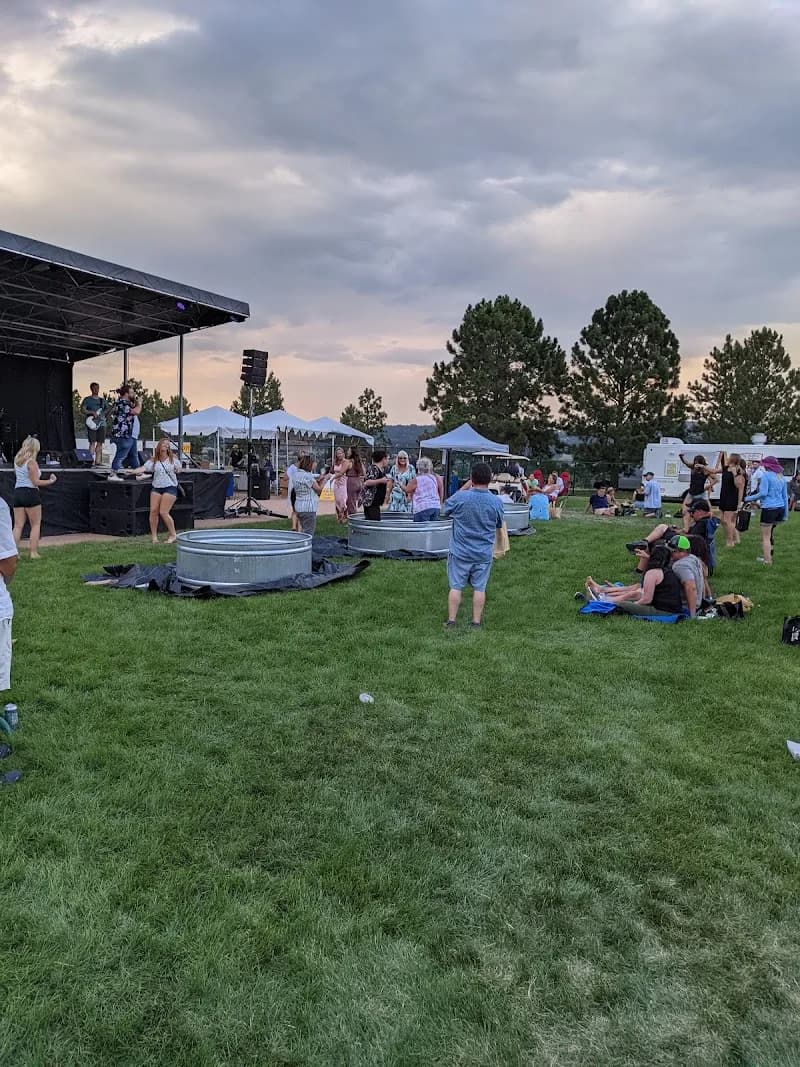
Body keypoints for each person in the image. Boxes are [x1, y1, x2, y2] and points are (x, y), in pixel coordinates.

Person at [443, 462, 505, 629]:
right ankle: (476, 622)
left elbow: (445, 509)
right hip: (483, 554)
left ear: (471, 478)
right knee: (480, 587)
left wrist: (464, 488)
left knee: (455, 586)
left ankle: (451, 621)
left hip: (460, 552)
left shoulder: (461, 497)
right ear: (490, 479)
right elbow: (499, 524)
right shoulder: (496, 502)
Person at [587, 544, 683, 618]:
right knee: (636, 594)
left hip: (664, 612)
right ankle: (604, 598)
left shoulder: (653, 573)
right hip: (672, 609)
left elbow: (647, 599)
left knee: (622, 604)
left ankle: (603, 601)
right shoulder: (667, 571)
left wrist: (634, 605)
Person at [120, 437, 182, 544]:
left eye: (167, 445)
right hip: (156, 487)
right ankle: (154, 537)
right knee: (153, 511)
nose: (166, 446)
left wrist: (178, 470)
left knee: (163, 512)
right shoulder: (153, 460)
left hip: (170, 487)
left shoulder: (173, 459)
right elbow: (143, 469)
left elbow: (179, 469)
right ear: (159, 446)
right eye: (164, 444)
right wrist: (131, 472)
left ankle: (173, 535)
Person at [12, 436, 57, 560]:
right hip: (30, 493)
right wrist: (50, 481)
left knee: (17, 525)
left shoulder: (17, 460)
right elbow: (35, 482)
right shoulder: (32, 462)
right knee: (36, 524)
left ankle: (14, 553)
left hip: (18, 493)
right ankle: (33, 552)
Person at [744, 454, 788, 565]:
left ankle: (767, 560)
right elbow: (784, 496)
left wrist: (747, 498)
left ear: (767, 466)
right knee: (770, 533)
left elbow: (763, 493)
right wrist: (785, 514)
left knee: (765, 537)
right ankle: (768, 555)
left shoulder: (766, 476)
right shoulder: (780, 476)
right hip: (780, 508)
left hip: (769, 508)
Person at [666, 534, 704, 618]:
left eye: (673, 551)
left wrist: (692, 615)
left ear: (682, 551)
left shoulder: (680, 566)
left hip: (684, 606)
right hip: (697, 603)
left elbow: (691, 587)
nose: (670, 553)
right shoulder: (693, 558)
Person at [678, 451, 717, 530]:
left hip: (701, 492)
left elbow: (716, 479)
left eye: (697, 462)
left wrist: (709, 486)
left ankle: (710, 520)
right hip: (691, 492)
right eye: (694, 462)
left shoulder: (705, 470)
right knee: (684, 510)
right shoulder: (693, 467)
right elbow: (685, 463)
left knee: (708, 508)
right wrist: (681, 457)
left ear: (701, 463)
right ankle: (687, 527)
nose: (695, 464)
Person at [715, 452, 747, 548]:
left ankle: (730, 541)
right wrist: (704, 467)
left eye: (729, 457)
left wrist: (739, 503)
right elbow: (715, 470)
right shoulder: (726, 468)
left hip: (732, 498)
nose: (728, 458)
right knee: (726, 520)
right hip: (724, 497)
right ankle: (735, 539)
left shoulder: (739, 471)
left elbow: (740, 487)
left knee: (729, 520)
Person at [109, 384, 142, 473]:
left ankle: (138, 474)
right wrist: (139, 402)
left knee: (133, 455)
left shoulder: (126, 403)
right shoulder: (122, 403)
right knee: (121, 455)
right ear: (126, 394)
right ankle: (113, 474)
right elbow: (136, 411)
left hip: (131, 434)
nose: (134, 394)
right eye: (131, 393)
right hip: (124, 434)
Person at [291, 455, 327, 535]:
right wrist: (325, 480)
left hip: (299, 506)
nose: (315, 464)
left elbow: (308, 485)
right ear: (309, 464)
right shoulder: (308, 476)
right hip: (308, 508)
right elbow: (319, 490)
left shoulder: (296, 475)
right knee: (308, 534)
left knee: (303, 532)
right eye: (314, 463)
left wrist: (318, 480)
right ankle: (306, 547)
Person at [404, 456, 443, 522]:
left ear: (418, 467)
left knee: (421, 530)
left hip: (422, 507)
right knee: (433, 530)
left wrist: (401, 484)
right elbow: (439, 491)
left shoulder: (417, 479)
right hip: (435, 506)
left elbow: (407, 489)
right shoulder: (434, 478)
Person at [81, 382, 107, 466]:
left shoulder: (102, 400)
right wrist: (92, 412)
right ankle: (89, 460)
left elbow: (106, 411)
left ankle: (98, 461)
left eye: (98, 388)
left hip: (101, 424)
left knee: (100, 442)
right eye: (95, 388)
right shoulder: (87, 399)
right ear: (91, 389)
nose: (97, 390)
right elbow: (83, 410)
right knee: (92, 442)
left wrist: (104, 414)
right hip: (92, 423)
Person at [362, 450, 391, 520]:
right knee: (374, 522)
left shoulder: (381, 470)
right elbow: (367, 482)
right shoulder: (374, 469)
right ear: (383, 459)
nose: (388, 461)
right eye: (387, 459)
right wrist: (381, 480)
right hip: (371, 502)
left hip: (376, 502)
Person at [330, 446, 351, 524]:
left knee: (343, 499)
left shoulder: (346, 462)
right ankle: (339, 517)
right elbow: (332, 471)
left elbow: (342, 472)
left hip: (343, 481)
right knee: (337, 500)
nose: (339, 455)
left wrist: (333, 478)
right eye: (337, 453)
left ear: (343, 453)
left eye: (340, 453)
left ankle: (345, 516)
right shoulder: (335, 462)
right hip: (336, 483)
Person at [345, 446, 364, 516]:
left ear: (352, 453)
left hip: (351, 482)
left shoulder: (349, 462)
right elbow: (364, 473)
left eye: (349, 451)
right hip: (358, 481)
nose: (347, 452)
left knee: (350, 503)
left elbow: (342, 471)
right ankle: (359, 498)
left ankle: (353, 519)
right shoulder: (359, 462)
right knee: (353, 501)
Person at [286, 455, 300, 532]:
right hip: (299, 491)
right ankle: (299, 529)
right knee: (300, 511)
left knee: (295, 509)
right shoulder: (305, 468)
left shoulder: (292, 467)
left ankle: (294, 526)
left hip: (293, 490)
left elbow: (285, 477)